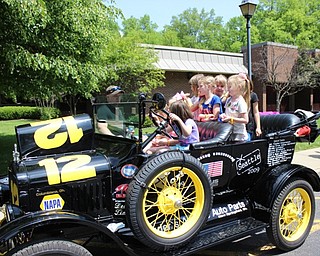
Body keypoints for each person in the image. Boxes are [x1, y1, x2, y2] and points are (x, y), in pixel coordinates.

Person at [220, 73, 250, 142]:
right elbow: (227, 113)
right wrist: (224, 116)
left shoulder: (240, 102)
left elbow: (245, 120)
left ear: (238, 87)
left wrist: (231, 119)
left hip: (239, 135)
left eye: (230, 87)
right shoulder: (228, 100)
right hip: (229, 132)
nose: (228, 89)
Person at [245, 74, 262, 140]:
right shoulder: (234, 96)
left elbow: (256, 112)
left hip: (248, 126)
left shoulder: (253, 95)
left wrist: (258, 127)